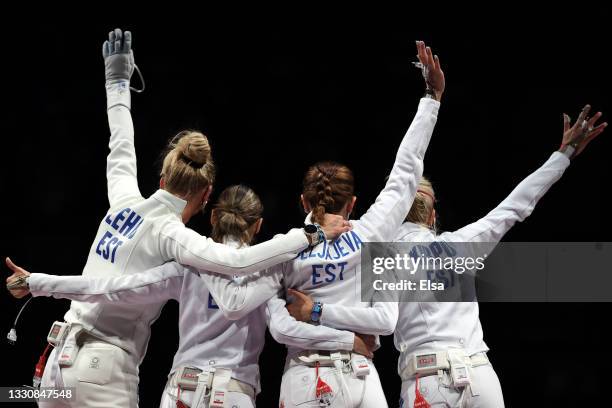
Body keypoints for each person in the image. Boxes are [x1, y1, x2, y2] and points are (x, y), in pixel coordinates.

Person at [5, 28, 349, 408]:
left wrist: (116, 80)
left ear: (163, 179)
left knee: (12, 397)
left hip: (55, 364)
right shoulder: (173, 237)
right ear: (205, 197)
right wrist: (310, 233)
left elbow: (119, 144)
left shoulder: (123, 200)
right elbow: (237, 264)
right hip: (102, 372)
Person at [7, 185, 373, 408]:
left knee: (15, 394)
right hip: (234, 393)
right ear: (258, 226)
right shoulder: (271, 270)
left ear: (213, 217)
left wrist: (40, 282)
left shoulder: (186, 267)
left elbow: (110, 288)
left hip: (160, 388)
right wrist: (346, 338)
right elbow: (284, 330)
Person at [392, 104, 606, 407]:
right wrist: (564, 154)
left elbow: (374, 324)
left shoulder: (378, 257)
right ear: (433, 216)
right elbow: (515, 205)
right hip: (481, 378)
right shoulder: (462, 244)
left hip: (428, 379)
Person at [275, 40, 443, 408]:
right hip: (361, 380)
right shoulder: (370, 234)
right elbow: (405, 173)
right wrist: (431, 98)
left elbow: (279, 325)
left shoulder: (281, 249)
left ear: (302, 201)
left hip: (305, 376)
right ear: (353, 203)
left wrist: (316, 313)